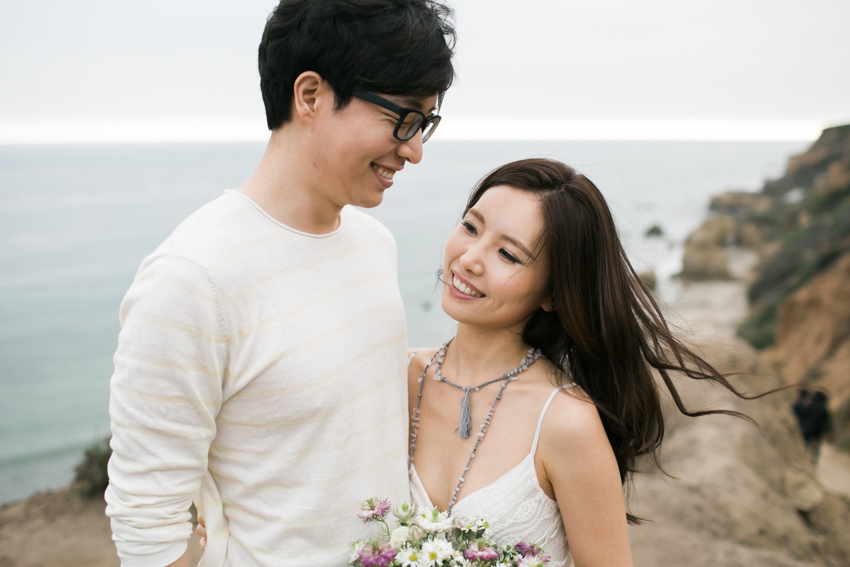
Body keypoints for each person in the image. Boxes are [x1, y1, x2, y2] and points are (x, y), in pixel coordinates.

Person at [104, 1, 455, 566]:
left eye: (426, 125)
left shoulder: (373, 242)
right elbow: (146, 518)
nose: (413, 149)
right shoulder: (192, 279)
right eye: (404, 117)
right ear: (311, 95)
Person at [405, 159, 758, 567]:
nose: (469, 258)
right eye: (470, 227)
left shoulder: (566, 422)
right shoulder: (395, 377)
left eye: (508, 254)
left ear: (553, 293)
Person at [793, 389, 833, 466]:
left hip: (807, 430)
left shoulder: (810, 405)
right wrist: (828, 431)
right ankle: (813, 463)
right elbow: (827, 423)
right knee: (816, 449)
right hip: (818, 432)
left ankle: (803, 460)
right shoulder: (824, 409)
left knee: (805, 445)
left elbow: (801, 414)